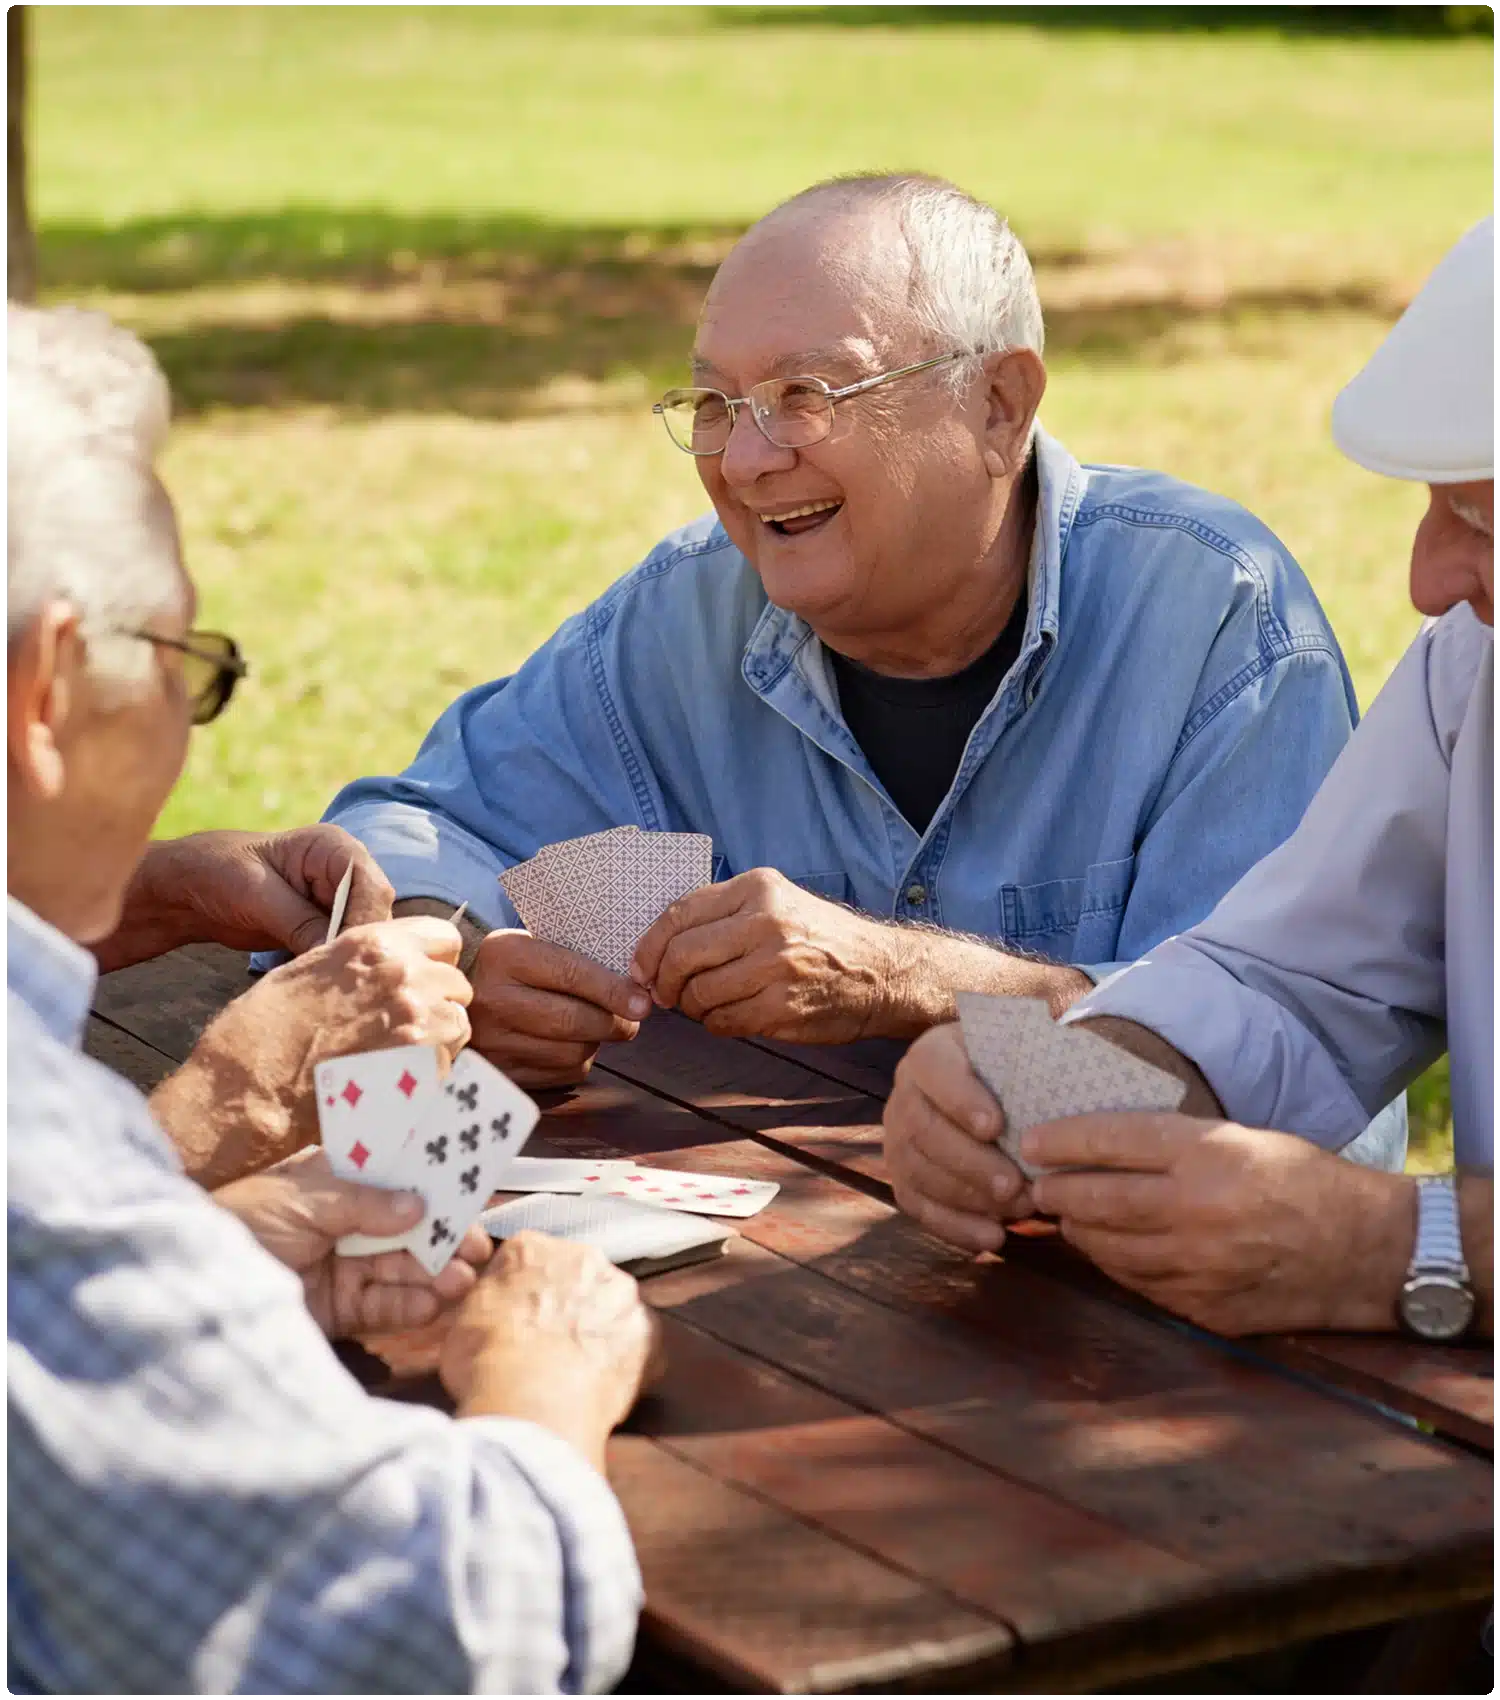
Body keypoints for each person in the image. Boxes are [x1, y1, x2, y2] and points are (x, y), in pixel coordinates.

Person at [318, 174, 1390, 1171]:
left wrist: (911, 982)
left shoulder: (1213, 618)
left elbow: (1283, 1081)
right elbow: (406, 828)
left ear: (999, 406)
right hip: (773, 1267)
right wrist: (461, 958)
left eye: (806, 393)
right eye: (713, 404)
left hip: (1109, 1287)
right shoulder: (688, 613)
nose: (744, 462)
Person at [6, 303, 654, 1693]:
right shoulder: (38, 1156)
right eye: (186, 668)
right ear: (46, 695)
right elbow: (437, 1629)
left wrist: (216, 1248)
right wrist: (545, 1370)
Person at [881, 217, 1495, 1343]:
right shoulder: (1477, 667)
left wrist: (1399, 1244)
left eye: (1484, 520)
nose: (1428, 580)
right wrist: (1052, 1083)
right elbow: (1296, 980)